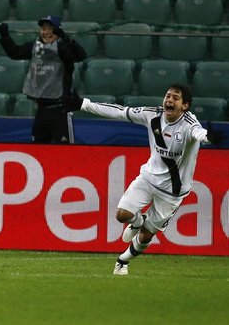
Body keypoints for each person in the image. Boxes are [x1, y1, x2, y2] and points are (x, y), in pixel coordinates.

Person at [61, 85, 224, 276]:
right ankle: (138, 220)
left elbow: (198, 132)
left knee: (147, 236)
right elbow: (120, 112)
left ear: (185, 105)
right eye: (167, 96)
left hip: (173, 191)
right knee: (122, 215)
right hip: (148, 179)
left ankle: (122, 261)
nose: (169, 100)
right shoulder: (152, 115)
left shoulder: (188, 124)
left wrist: (207, 137)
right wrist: (84, 104)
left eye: (175, 98)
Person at [0, 15, 87, 143]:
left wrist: (66, 38)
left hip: (60, 109)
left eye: (50, 28)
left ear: (57, 31)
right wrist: (5, 36)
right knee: (38, 149)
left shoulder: (62, 46)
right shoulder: (35, 45)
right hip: (41, 109)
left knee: (65, 152)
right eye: (43, 28)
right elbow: (15, 53)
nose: (46, 32)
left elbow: (80, 56)